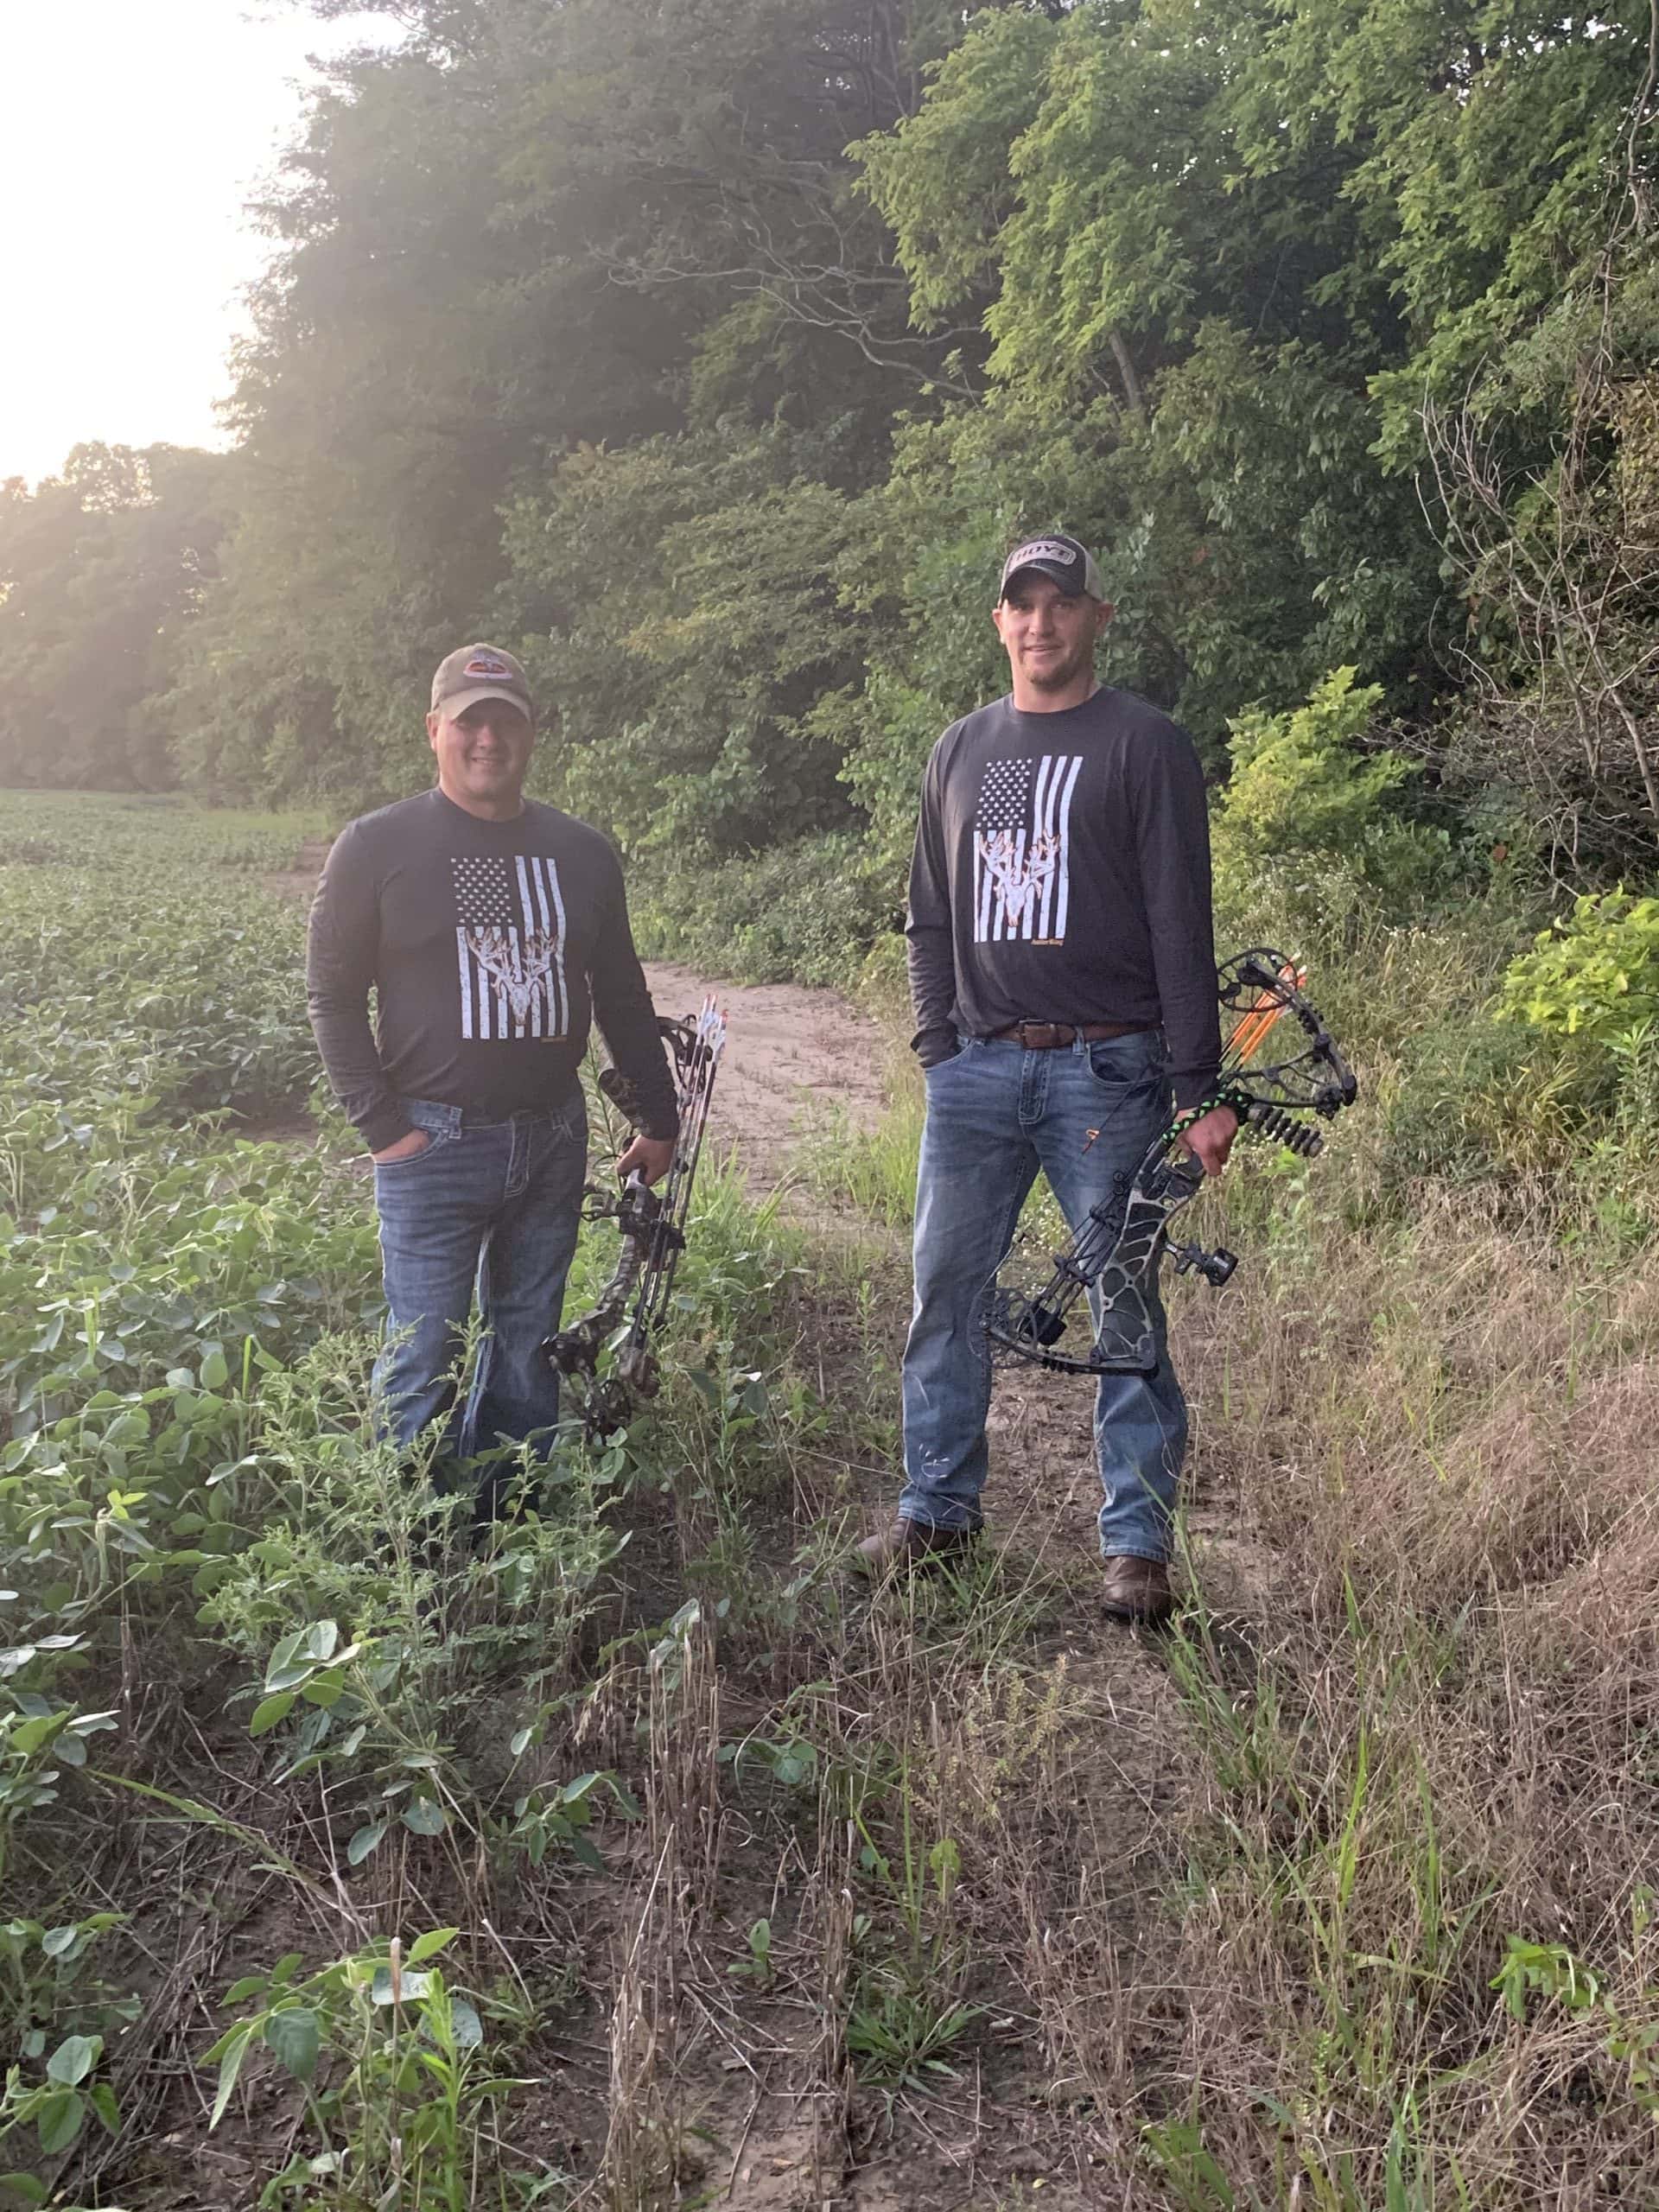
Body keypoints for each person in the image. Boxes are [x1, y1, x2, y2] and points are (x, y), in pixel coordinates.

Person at [857, 534, 1237, 1623]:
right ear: (999, 623)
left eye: (1059, 602)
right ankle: (935, 1512)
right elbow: (927, 911)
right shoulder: (958, 749)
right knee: (946, 1291)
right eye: (1021, 605)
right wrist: (938, 1045)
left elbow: (1180, 920)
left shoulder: (1146, 744)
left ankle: (1136, 1548)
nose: (1040, 623)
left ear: (1095, 616)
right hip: (977, 1073)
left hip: (1108, 1072)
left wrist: (1195, 1087)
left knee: (1124, 1301)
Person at [307, 642, 677, 1491]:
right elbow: (331, 996)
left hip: (552, 1137)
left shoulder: (581, 852)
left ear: (531, 733)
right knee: (423, 1352)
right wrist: (384, 1131)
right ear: (434, 729)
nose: (487, 740)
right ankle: (403, 1546)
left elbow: (620, 990)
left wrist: (656, 1116)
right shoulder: (376, 846)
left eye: (505, 722)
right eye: (470, 722)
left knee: (527, 1345)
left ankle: (501, 1526)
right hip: (432, 1142)